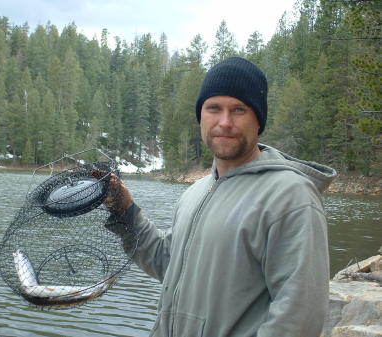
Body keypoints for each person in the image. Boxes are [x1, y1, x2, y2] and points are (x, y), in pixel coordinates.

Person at [105, 57, 336, 337]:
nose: (225, 122)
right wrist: (126, 212)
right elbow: (168, 263)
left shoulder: (290, 196)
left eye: (239, 109)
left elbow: (298, 316)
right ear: (201, 116)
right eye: (214, 108)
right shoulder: (196, 192)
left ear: (258, 121)